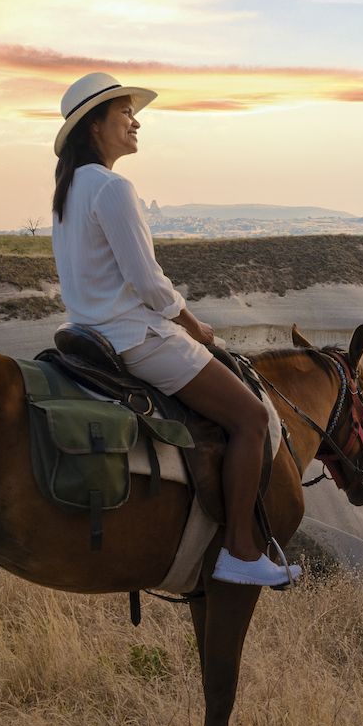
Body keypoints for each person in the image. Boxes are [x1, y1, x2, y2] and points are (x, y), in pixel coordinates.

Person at [50, 71, 298, 587]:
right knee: (251, 418)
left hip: (88, 334)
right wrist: (193, 324)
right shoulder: (113, 188)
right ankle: (240, 550)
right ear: (95, 125)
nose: (136, 122)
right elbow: (148, 282)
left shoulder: (69, 191)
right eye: (125, 112)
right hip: (134, 338)